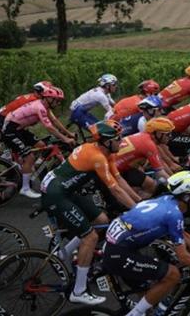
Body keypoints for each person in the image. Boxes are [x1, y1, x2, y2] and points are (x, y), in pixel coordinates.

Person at [103, 171, 190, 316]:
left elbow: (180, 233)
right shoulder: (174, 214)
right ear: (186, 196)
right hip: (119, 253)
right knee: (173, 275)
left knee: (151, 298)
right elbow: (183, 256)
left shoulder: (167, 200)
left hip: (120, 247)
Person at [41, 120, 137, 305]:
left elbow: (118, 180)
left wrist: (139, 203)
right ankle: (79, 291)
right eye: (118, 138)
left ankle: (64, 253)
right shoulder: (98, 157)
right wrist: (136, 210)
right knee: (90, 237)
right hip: (55, 194)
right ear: (107, 141)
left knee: (102, 219)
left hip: (64, 189)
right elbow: (115, 190)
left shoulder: (106, 152)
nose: (122, 141)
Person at [3, 85, 75, 198]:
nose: (58, 103)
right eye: (57, 100)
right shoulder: (40, 107)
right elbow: (50, 127)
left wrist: (69, 133)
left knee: (41, 145)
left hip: (19, 129)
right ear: (48, 98)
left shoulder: (45, 106)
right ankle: (25, 188)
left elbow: (54, 121)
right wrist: (65, 139)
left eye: (59, 101)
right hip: (10, 130)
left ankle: (28, 166)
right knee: (30, 157)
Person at [112, 116, 178, 197]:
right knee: (146, 190)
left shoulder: (145, 136)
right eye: (168, 134)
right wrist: (178, 189)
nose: (170, 137)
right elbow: (160, 173)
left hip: (122, 167)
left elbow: (161, 164)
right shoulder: (149, 144)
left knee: (151, 184)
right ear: (158, 134)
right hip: (115, 170)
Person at [0, 81, 67, 136]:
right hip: (3, 119)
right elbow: (53, 120)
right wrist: (65, 132)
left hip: (2, 116)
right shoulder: (36, 101)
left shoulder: (32, 97)